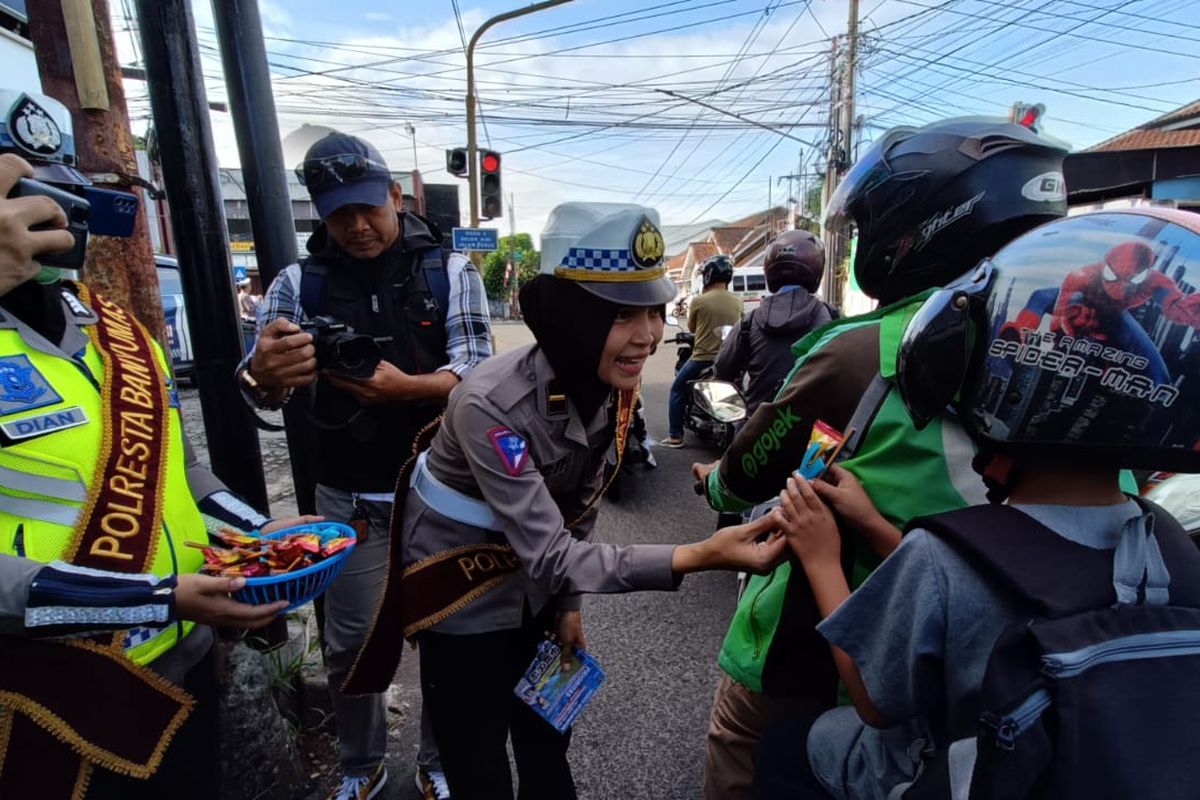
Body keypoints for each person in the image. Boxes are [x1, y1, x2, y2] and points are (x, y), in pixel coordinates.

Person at [337, 202, 791, 800]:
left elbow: (580, 507)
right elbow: (552, 553)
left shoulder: (607, 388)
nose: (648, 336)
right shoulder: (489, 405)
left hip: (540, 589)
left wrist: (569, 605)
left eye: (654, 311)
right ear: (568, 316)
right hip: (461, 590)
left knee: (548, 742)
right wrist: (701, 553)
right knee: (478, 765)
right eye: (622, 313)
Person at [690, 117, 1074, 800]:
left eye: (868, 230)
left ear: (916, 230)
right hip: (1019, 660)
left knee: (741, 747)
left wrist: (716, 483)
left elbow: (749, 472)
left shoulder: (865, 348)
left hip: (831, 651)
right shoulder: (1072, 351)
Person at [760, 206, 1200, 799]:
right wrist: (871, 522)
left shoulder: (937, 556)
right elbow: (990, 591)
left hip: (957, 774)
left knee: (788, 747)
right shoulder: (1168, 538)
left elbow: (873, 698)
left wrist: (822, 556)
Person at [0, 95, 315, 800]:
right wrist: (162, 596)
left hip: (181, 661)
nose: (51, 214)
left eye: (59, 189)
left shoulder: (121, 334)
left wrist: (262, 536)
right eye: (21, 191)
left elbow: (181, 471)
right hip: (44, 689)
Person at [237, 131, 490, 800]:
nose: (355, 227)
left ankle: (441, 760)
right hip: (348, 496)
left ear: (395, 196)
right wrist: (262, 374)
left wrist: (405, 388)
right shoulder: (299, 282)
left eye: (366, 209)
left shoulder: (450, 271)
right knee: (350, 645)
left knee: (447, 635)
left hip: (445, 491)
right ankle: (360, 765)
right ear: (319, 213)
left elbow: (477, 373)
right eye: (337, 213)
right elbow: (262, 379)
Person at [714, 230, 833, 415]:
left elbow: (722, 371)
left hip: (758, 433)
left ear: (769, 269)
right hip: (817, 436)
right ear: (817, 270)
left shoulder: (749, 322)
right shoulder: (832, 320)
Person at [661, 253, 743, 447]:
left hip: (703, 358)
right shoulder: (737, 300)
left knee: (677, 389)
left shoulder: (699, 301)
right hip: (730, 359)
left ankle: (675, 436)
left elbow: (691, 328)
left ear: (708, 275)